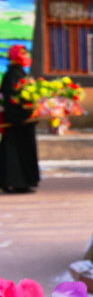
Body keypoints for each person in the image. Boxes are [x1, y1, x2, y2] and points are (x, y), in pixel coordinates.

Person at [0, 45, 39, 192]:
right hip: (16, 120)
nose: (25, 56)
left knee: (25, 150)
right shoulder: (11, 75)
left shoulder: (21, 73)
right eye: (22, 53)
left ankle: (25, 182)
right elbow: (11, 98)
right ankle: (15, 182)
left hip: (25, 120)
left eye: (26, 53)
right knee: (14, 152)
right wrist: (22, 114)